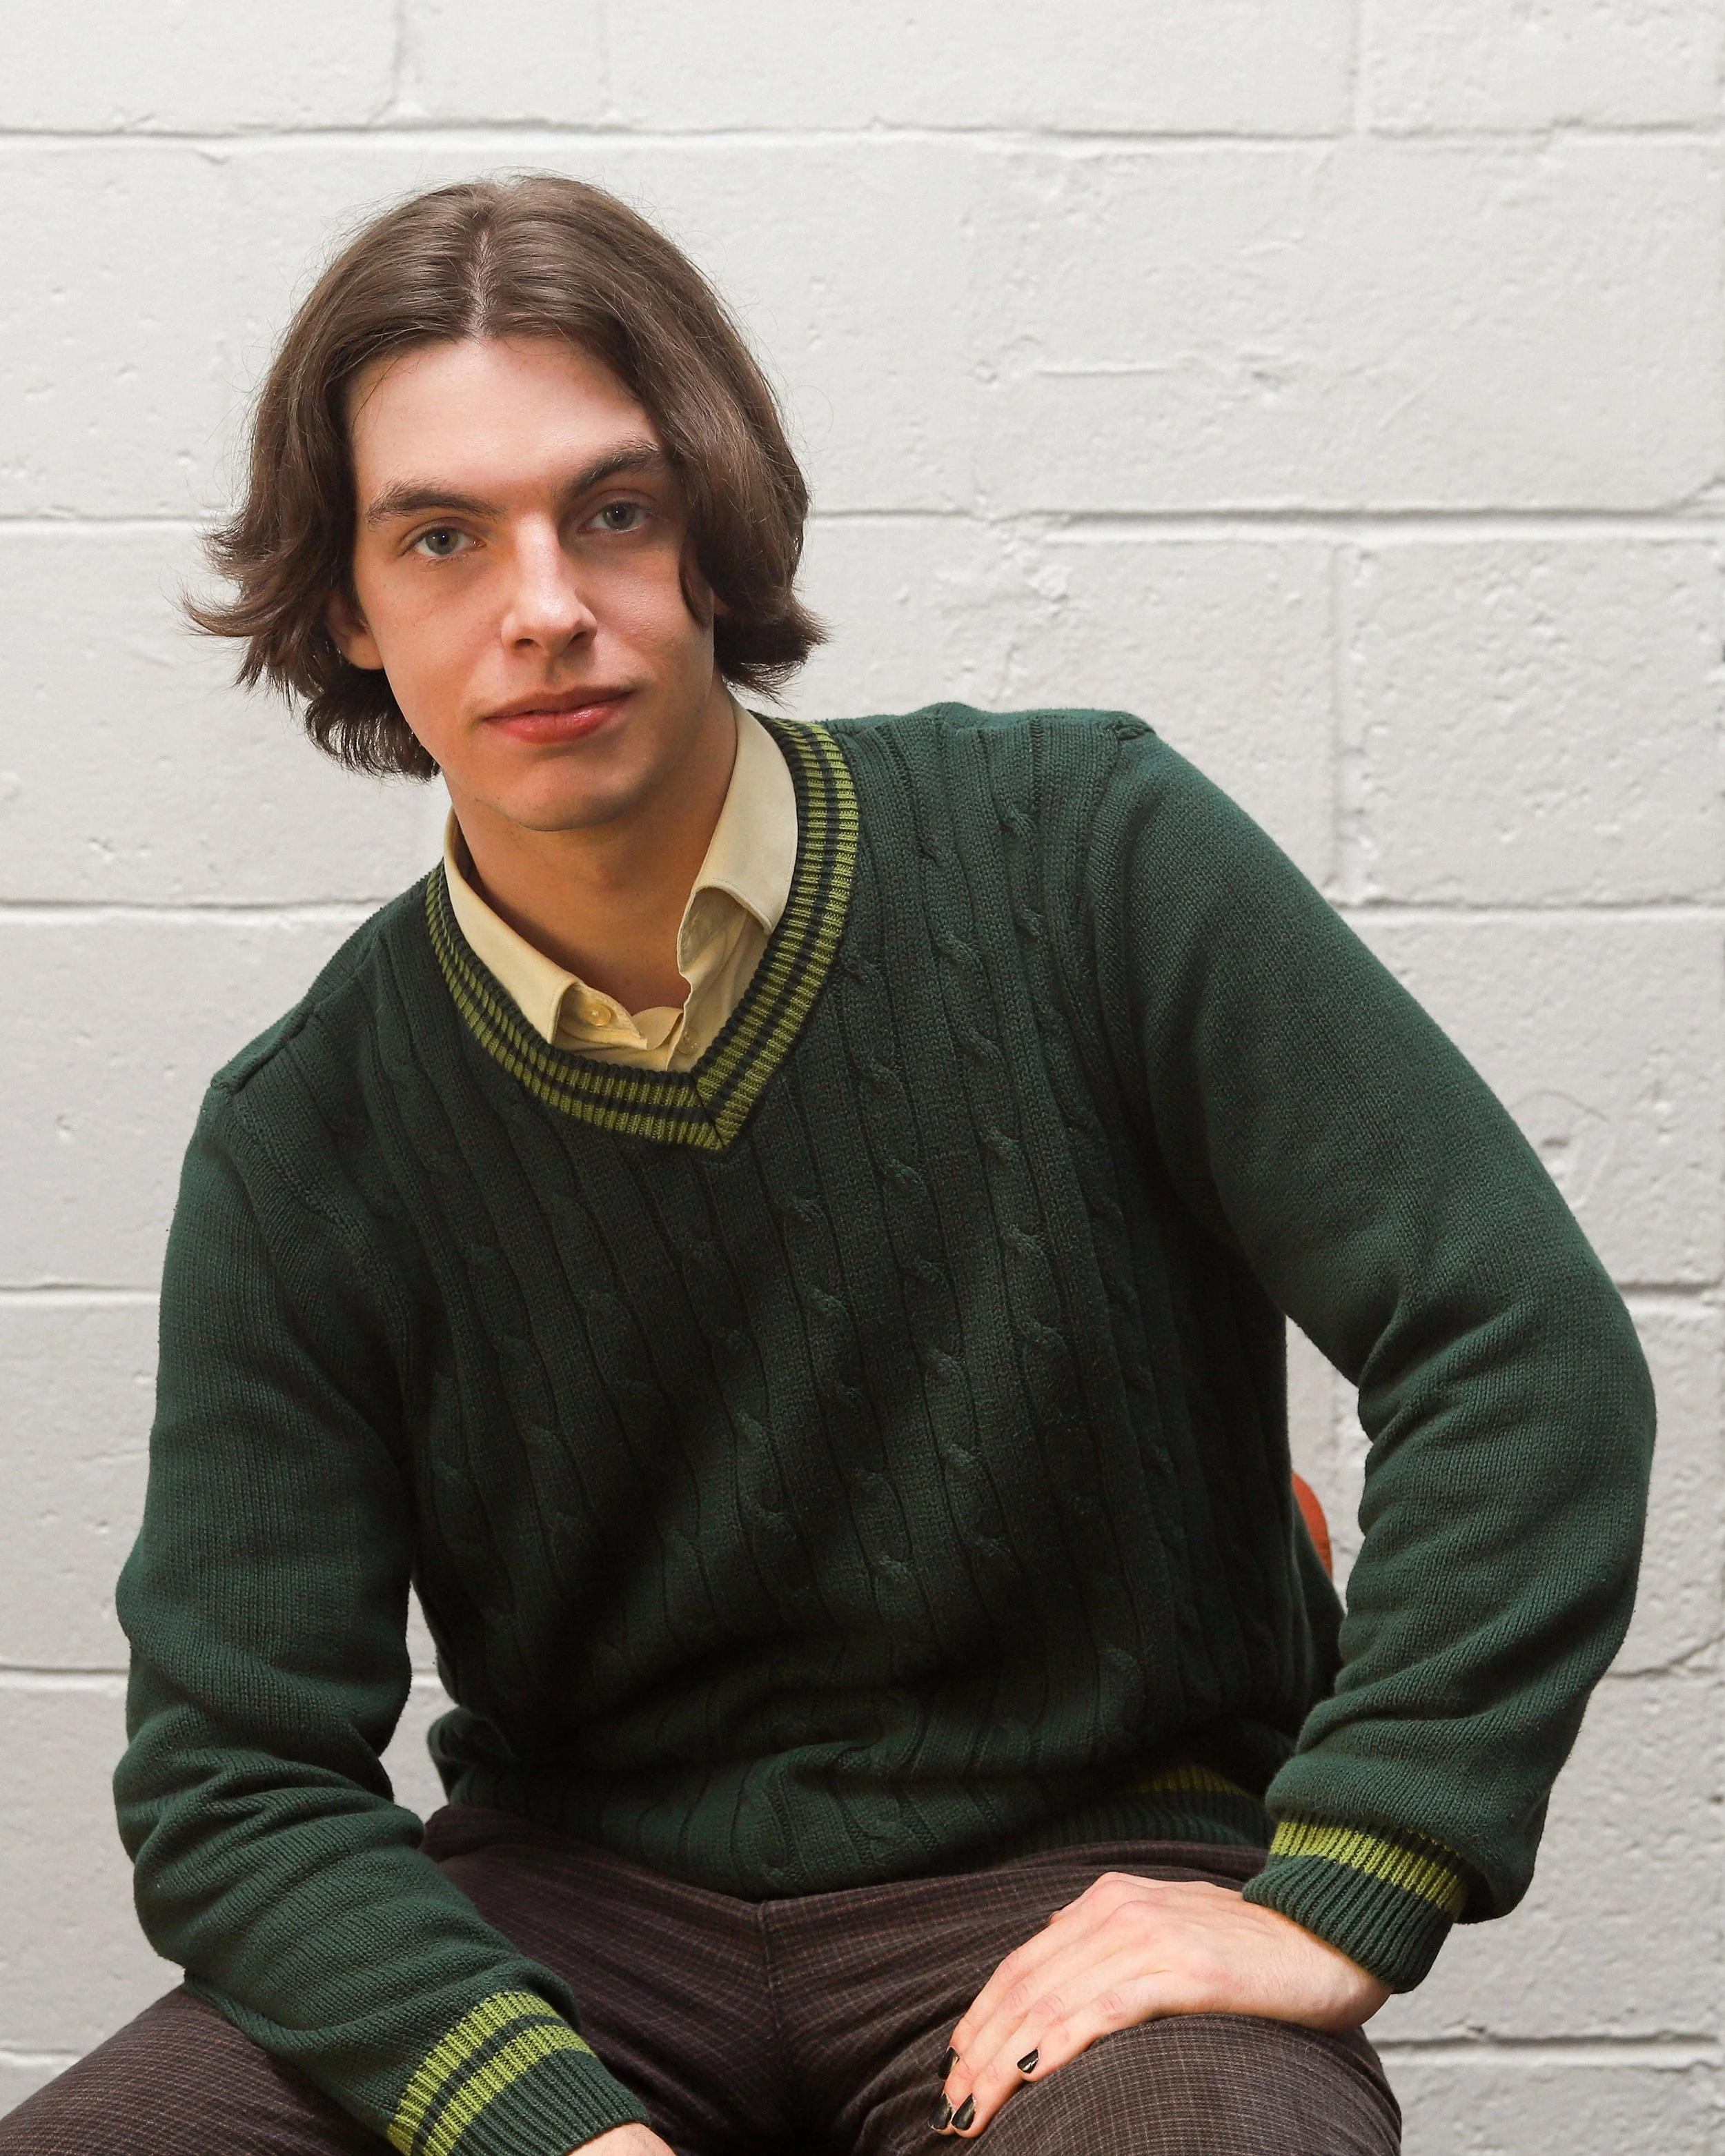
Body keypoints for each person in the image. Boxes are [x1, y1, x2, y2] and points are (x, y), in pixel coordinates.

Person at [1, 175, 1653, 2156]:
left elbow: (1515, 1341)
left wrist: (1344, 1884)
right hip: (570, 1911)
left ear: (709, 525)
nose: (543, 603)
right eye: (440, 535)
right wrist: (543, 2130)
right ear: (350, 604)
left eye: (610, 509)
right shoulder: (307, 1136)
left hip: (1074, 1873)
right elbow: (235, 1772)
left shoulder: (1085, 856)